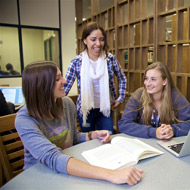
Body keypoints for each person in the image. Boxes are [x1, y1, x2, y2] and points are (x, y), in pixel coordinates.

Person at [15, 61, 143, 186]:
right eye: (57, 79)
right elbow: (52, 158)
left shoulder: (67, 104)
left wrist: (92, 135)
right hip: (38, 178)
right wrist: (111, 174)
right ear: (41, 86)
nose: (65, 81)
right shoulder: (25, 119)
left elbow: (74, 137)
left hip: (64, 172)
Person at [64, 22, 127, 134]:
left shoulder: (110, 59)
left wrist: (120, 98)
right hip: (86, 111)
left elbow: (122, 77)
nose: (98, 44)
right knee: (88, 140)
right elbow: (65, 87)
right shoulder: (77, 62)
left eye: (101, 39)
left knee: (108, 136)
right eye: (93, 39)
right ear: (85, 40)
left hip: (105, 109)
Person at [118, 62, 190, 139]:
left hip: (167, 144)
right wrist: (154, 132)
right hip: (144, 143)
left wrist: (173, 130)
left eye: (153, 79)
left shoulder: (176, 97)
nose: (147, 83)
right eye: (146, 78)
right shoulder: (138, 95)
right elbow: (124, 124)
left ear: (164, 81)